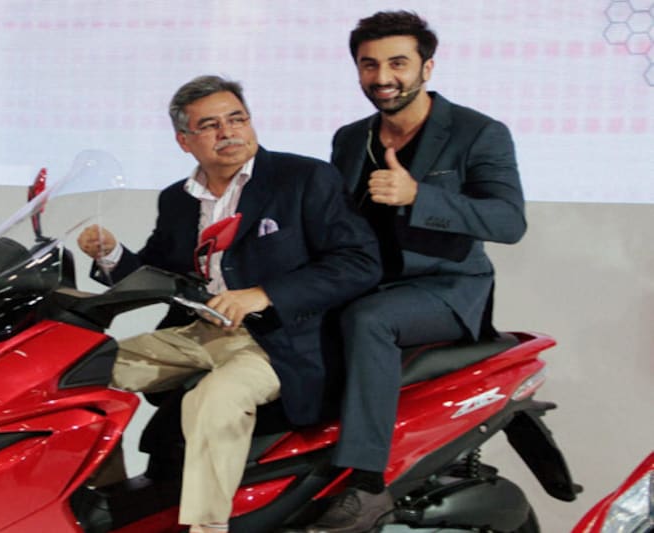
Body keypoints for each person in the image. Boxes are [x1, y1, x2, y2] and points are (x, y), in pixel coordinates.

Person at [77, 75, 380, 533]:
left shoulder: (303, 178)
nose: (229, 132)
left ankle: (208, 528)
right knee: (77, 370)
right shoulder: (178, 200)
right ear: (184, 140)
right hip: (202, 333)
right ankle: (113, 497)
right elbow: (157, 277)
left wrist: (265, 295)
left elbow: (359, 262)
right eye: (211, 125)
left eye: (237, 119)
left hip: (280, 341)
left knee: (213, 399)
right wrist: (110, 254)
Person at [306, 11, 528, 533]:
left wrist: (419, 197)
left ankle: (366, 485)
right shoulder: (347, 138)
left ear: (427, 67)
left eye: (398, 63)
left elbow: (509, 220)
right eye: (369, 64)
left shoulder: (479, 133)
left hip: (445, 289)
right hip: (365, 279)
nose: (383, 76)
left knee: (369, 320)